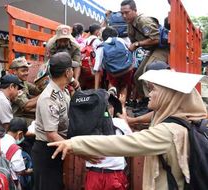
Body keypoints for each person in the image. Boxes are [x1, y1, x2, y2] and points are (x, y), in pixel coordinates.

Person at [49, 69, 207, 190]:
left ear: (167, 96)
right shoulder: (182, 122)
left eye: (154, 90)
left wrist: (75, 143)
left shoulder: (169, 132)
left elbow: (123, 143)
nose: (149, 94)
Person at [32, 52, 80, 190]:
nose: (73, 71)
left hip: (57, 148)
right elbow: (51, 134)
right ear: (67, 72)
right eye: (72, 69)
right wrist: (76, 149)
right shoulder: (50, 98)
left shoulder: (63, 90)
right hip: (46, 152)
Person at [120, 0, 169, 101]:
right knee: (138, 76)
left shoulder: (143, 21)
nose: (124, 16)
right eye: (122, 13)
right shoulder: (130, 24)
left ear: (135, 10)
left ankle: (152, 105)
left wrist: (137, 44)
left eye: (127, 12)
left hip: (162, 48)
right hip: (152, 49)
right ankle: (145, 102)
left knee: (148, 74)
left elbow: (156, 39)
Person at [85, 88, 132, 190]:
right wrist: (122, 108)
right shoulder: (119, 123)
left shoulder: (87, 124)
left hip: (95, 175)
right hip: (114, 175)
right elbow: (131, 141)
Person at [0, 117, 33, 189]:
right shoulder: (15, 149)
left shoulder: (0, 141)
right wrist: (29, 171)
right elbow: (19, 171)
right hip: (10, 182)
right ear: (20, 133)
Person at [10, 57, 41, 125]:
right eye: (23, 71)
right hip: (16, 118)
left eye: (27, 70)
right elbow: (26, 106)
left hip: (23, 114)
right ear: (15, 71)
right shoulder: (14, 86)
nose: (27, 73)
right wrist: (45, 94)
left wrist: (43, 82)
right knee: (40, 125)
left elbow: (37, 90)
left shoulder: (23, 82)